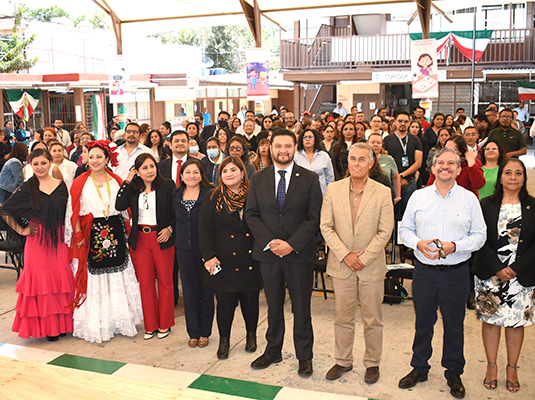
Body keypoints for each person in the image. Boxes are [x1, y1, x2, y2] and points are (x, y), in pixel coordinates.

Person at [398, 148, 486, 400]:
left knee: (455, 325)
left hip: (456, 274)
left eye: (451, 163)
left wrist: (454, 247)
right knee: (423, 322)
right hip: (424, 272)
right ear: (432, 168)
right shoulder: (418, 197)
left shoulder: (469, 199)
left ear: (459, 169)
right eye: (440, 163)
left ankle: (454, 372)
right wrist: (418, 243)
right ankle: (419, 368)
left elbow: (480, 236)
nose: (445, 167)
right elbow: (405, 231)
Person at [245, 129, 322, 377]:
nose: (282, 150)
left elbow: (313, 218)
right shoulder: (258, 178)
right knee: (274, 305)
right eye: (278, 146)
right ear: (270, 147)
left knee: (301, 308)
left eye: (287, 146)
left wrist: (291, 244)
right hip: (268, 254)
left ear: (294, 147)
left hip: (298, 254)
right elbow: (251, 214)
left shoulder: (309, 178)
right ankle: (273, 350)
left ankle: (304, 356)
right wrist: (270, 242)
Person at [321, 143, 394, 383]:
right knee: (342, 317)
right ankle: (343, 361)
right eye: (353, 159)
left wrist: (362, 257)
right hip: (341, 265)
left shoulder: (382, 192)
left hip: (370, 265)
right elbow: (326, 227)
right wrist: (346, 255)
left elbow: (385, 231)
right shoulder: (333, 189)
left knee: (372, 319)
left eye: (362, 159)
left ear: (371, 163)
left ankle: (372, 363)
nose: (357, 164)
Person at [67, 140, 143, 343]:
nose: (94, 160)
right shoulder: (80, 182)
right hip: (91, 234)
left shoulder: (116, 180)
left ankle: (119, 320)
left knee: (118, 275)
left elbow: (126, 212)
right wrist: (78, 237)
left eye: (99, 157)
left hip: (116, 233)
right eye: (91, 157)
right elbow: (73, 211)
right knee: (95, 279)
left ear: (108, 159)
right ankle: (98, 323)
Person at [473, 158, 534, 393]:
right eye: (508, 172)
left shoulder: (533, 206)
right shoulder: (486, 204)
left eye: (518, 173)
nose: (513, 177)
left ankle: (512, 368)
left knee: (516, 323)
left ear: (523, 178)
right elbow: (479, 239)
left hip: (522, 276)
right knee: (491, 321)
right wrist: (497, 267)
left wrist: (516, 268)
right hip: (491, 274)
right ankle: (491, 366)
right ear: (501, 177)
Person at [1, 148, 75, 341]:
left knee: (61, 284)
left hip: (59, 241)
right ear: (30, 165)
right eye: (36, 164)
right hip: (37, 243)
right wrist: (21, 230)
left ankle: (62, 325)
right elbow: (6, 210)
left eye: (44, 163)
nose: (40, 167)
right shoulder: (28, 187)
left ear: (50, 163)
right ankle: (48, 329)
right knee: (41, 286)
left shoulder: (61, 185)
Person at [199, 156, 262, 359]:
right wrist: (209, 256)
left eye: (233, 170)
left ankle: (251, 336)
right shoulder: (213, 197)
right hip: (223, 260)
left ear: (242, 172)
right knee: (225, 304)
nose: (229, 174)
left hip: (251, 258)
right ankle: (224, 341)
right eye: (225, 171)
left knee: (250, 302)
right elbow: (204, 229)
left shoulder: (255, 194)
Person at [116, 153, 176, 340]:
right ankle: (150, 325)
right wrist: (127, 181)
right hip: (141, 238)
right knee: (146, 283)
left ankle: (165, 324)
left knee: (166, 282)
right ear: (137, 171)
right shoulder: (134, 188)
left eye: (152, 166)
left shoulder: (167, 186)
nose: (149, 171)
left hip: (161, 237)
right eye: (144, 168)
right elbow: (119, 204)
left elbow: (177, 211)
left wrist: (170, 228)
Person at [174, 159, 214, 348]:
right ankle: (193, 332)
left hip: (206, 249)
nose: (192, 176)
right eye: (188, 172)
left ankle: (205, 332)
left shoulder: (210, 193)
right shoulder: (176, 194)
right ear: (181, 176)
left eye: (195, 172)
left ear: (201, 175)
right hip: (183, 248)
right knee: (189, 291)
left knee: (206, 290)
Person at [383, 111, 423, 214]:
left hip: (410, 181)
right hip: (391, 182)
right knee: (391, 213)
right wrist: (397, 178)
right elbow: (386, 162)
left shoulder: (415, 140)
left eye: (406, 121)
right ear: (395, 122)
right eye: (400, 121)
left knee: (409, 212)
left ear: (409, 123)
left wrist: (401, 176)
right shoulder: (387, 140)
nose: (403, 123)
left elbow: (418, 163)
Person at [294, 129, 334, 196]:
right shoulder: (296, 156)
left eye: (310, 137)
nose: (307, 139)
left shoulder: (324, 156)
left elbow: (330, 179)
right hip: (301, 194)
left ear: (315, 139)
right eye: (305, 137)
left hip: (321, 193)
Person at [368, 133, 401, 204]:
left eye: (378, 143)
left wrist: (398, 196)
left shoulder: (389, 159)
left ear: (382, 144)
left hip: (385, 197)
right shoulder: (363, 159)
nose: (375, 145)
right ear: (368, 143)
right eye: (373, 142)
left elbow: (396, 178)